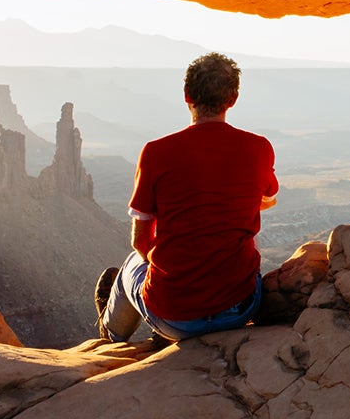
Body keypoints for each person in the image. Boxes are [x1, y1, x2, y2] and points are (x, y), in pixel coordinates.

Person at [95, 52, 277, 344]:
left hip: (174, 319)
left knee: (132, 263)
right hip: (239, 311)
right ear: (233, 99)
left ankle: (110, 337)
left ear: (186, 94)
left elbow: (140, 242)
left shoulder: (156, 152)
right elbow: (268, 195)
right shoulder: (259, 147)